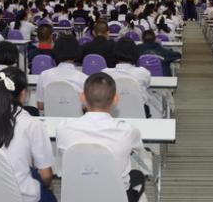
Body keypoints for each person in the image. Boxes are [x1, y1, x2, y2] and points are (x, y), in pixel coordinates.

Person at [0, 67, 56, 202]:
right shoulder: (31, 124)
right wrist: (49, 186)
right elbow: (46, 175)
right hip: (20, 196)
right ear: (23, 94)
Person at [56, 72, 146, 202]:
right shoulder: (127, 131)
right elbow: (138, 150)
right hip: (115, 198)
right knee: (137, 175)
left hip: (76, 196)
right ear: (116, 99)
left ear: (82, 97)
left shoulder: (63, 128)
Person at [36, 35, 87, 112]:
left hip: (50, 122)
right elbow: (86, 106)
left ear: (56, 50)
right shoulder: (84, 78)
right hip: (75, 122)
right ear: (77, 51)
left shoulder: (44, 75)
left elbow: (40, 105)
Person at [102, 38, 152, 116]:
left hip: (110, 114)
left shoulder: (105, 73)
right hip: (140, 113)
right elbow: (147, 86)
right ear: (135, 53)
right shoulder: (143, 72)